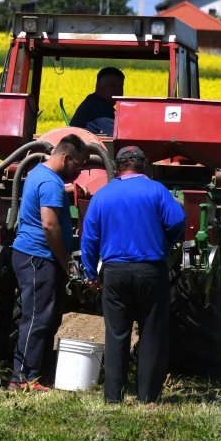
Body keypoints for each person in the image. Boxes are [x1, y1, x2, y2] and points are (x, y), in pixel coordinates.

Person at [80, 146, 185, 403]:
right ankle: (147, 397)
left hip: (115, 272)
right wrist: (164, 242)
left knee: (116, 334)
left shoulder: (102, 196)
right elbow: (178, 221)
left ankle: (114, 398)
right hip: (151, 269)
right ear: (144, 165)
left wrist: (91, 272)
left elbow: (89, 238)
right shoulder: (157, 190)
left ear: (116, 168)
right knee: (151, 332)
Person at [9, 134, 90, 391]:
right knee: (36, 318)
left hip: (33, 255)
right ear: (66, 158)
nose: (79, 172)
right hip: (38, 257)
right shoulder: (50, 183)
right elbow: (49, 224)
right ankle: (22, 379)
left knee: (45, 317)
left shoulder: (39, 174)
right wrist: (65, 259)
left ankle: (36, 374)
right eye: (78, 165)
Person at [69, 67, 125, 136]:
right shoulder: (99, 107)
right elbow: (120, 135)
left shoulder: (93, 101)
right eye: (112, 85)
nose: (117, 90)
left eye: (120, 86)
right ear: (98, 86)